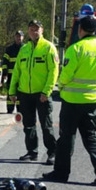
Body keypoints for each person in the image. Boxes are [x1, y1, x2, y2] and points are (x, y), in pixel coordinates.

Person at [45, 15, 96, 185]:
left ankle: (61, 173)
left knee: (66, 138)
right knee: (91, 137)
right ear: (94, 30)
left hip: (72, 101)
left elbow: (66, 74)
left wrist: (60, 87)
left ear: (80, 29)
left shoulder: (75, 49)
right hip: (92, 101)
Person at [7, 20, 58, 164]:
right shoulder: (24, 49)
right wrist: (12, 91)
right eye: (31, 29)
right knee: (28, 126)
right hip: (24, 93)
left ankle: (52, 153)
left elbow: (53, 72)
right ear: (28, 31)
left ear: (42, 30)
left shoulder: (48, 47)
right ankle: (32, 152)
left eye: (36, 29)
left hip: (41, 94)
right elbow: (17, 71)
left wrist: (46, 92)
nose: (34, 31)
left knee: (46, 126)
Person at [1, 30, 24, 114]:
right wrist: (4, 72)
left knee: (20, 93)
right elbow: (5, 62)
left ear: (23, 37)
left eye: (20, 36)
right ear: (14, 37)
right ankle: (10, 108)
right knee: (11, 91)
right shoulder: (9, 49)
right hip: (11, 75)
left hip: (22, 75)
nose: (18, 38)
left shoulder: (26, 48)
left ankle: (20, 109)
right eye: (17, 36)